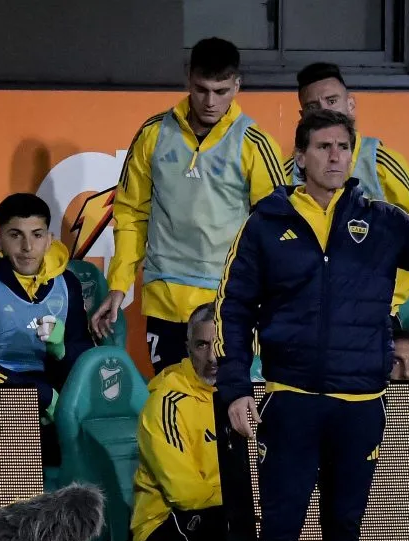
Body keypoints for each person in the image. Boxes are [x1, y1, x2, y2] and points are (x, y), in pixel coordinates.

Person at [216, 109, 409, 541]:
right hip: (291, 399)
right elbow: (232, 309)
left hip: (359, 406)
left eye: (342, 147)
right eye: (323, 147)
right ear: (300, 157)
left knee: (343, 532)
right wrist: (234, 388)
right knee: (278, 534)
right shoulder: (265, 223)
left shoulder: (381, 220)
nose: (335, 156)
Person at [91, 37, 285, 373]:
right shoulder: (153, 134)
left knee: (227, 406)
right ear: (188, 79)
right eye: (202, 89)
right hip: (165, 300)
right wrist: (119, 285)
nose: (211, 101)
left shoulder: (255, 143)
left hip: (228, 302)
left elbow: (278, 227)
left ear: (237, 86)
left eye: (221, 91)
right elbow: (131, 214)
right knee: (169, 400)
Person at [0, 193, 93, 463]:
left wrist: (61, 351)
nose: (27, 247)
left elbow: (83, 358)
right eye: (16, 235)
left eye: (37, 235)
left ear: (49, 240)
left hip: (53, 397)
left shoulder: (67, 282)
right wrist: (38, 395)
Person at [284, 63, 409, 329]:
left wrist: (386, 297)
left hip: (372, 314)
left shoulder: (381, 162)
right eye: (314, 106)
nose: (326, 110)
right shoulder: (287, 173)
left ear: (350, 105)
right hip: (304, 317)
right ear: (302, 115)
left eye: (332, 100)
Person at [130, 303, 230, 541]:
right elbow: (185, 494)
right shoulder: (166, 402)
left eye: (219, 344)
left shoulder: (239, 399)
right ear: (188, 348)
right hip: (160, 522)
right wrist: (240, 504)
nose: (212, 357)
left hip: (222, 511)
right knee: (220, 540)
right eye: (202, 345)